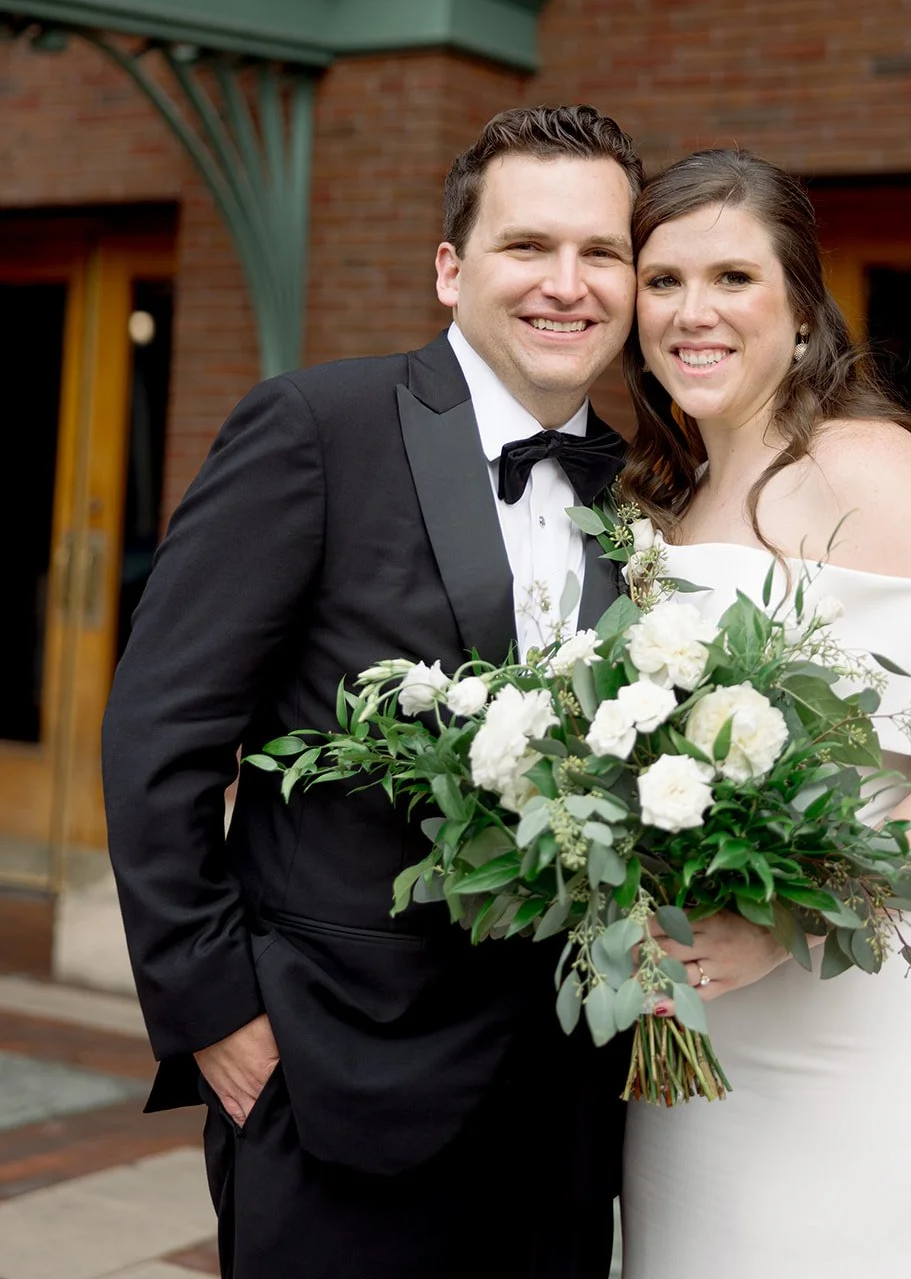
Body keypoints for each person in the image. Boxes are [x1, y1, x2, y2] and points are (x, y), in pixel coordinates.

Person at [102, 105, 642, 1279]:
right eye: (527, 246)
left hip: (562, 1103)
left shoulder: (643, 499)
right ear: (451, 269)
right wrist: (218, 1020)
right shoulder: (316, 428)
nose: (569, 283)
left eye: (602, 252)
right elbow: (161, 733)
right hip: (331, 1077)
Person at [616, 149, 911, 1279]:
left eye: (732, 278)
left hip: (877, 1023)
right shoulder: (654, 500)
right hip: (703, 1027)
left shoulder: (869, 465)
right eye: (662, 281)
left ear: (803, 310)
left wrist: (796, 919)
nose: (691, 311)